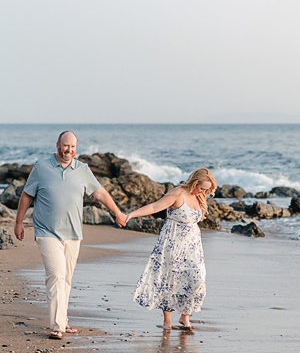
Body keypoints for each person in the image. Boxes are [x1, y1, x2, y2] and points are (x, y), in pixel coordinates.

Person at [14, 130, 127, 339]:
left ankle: (63, 321)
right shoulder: (42, 167)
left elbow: (100, 192)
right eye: (66, 146)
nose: (69, 150)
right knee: (56, 275)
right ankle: (57, 325)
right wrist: (19, 222)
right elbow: (27, 195)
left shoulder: (82, 169)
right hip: (46, 231)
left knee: (65, 279)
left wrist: (117, 212)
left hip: (73, 233)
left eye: (73, 147)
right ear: (57, 144)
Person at [124, 168, 217, 330]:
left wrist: (202, 193)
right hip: (172, 242)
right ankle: (167, 321)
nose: (204, 192)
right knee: (170, 281)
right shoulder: (178, 194)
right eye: (202, 188)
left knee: (197, 280)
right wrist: (131, 215)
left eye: (206, 189)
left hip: (193, 245)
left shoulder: (200, 196)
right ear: (194, 183)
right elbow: (154, 207)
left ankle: (184, 316)